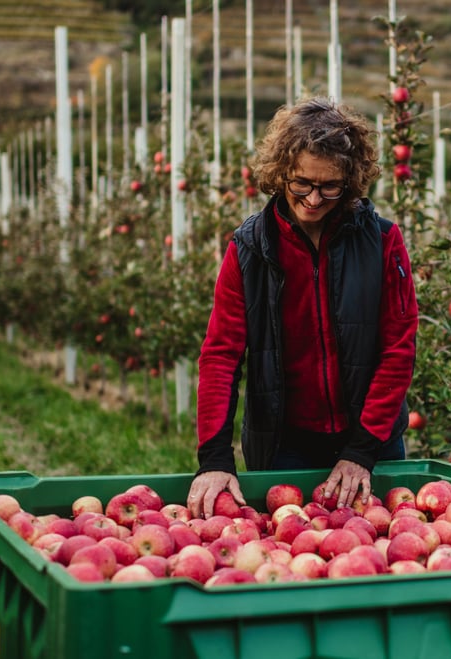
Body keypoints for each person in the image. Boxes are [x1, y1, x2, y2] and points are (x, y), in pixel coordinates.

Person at [187, 97, 419, 518]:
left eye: (330, 185)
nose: (313, 198)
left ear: (350, 181)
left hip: (371, 440)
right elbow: (221, 356)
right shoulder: (249, 250)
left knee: (379, 548)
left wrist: (361, 450)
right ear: (281, 174)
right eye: (301, 183)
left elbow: (398, 349)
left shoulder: (382, 242)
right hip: (284, 444)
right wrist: (216, 459)